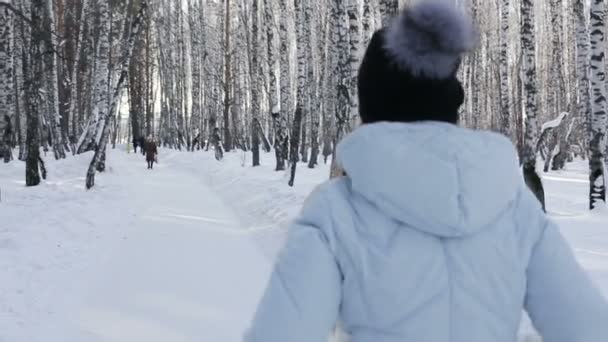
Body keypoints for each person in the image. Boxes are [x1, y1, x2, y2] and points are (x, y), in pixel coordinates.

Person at [244, 1, 608, 342]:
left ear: (372, 109)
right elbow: (587, 328)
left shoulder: (335, 212)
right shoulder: (513, 206)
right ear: (448, 103)